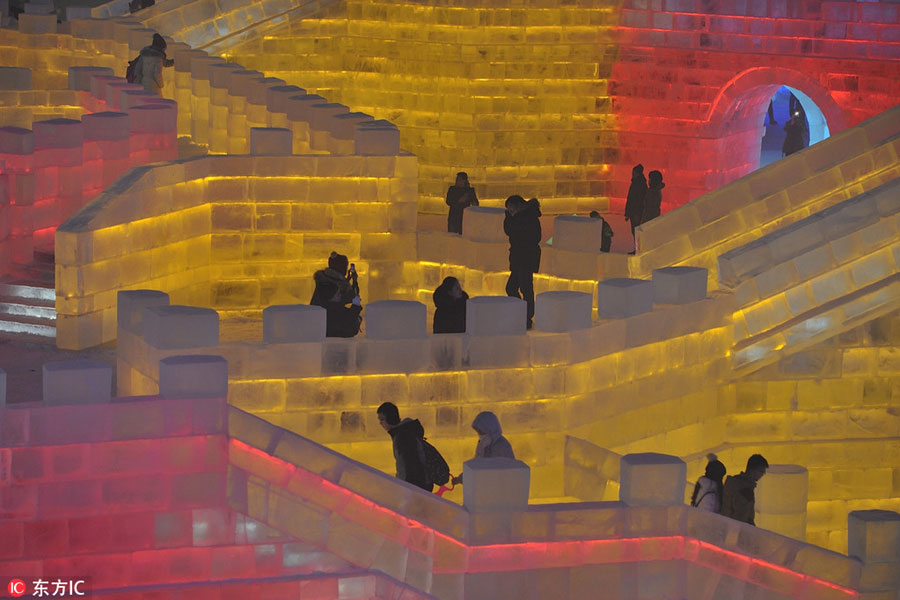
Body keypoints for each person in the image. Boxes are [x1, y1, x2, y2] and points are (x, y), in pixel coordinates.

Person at [503, 195, 542, 329]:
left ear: (518, 206)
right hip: (519, 257)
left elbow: (517, 233)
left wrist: (511, 220)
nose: (510, 211)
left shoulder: (529, 217)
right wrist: (509, 217)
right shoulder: (518, 218)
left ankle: (526, 316)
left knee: (525, 288)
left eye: (510, 209)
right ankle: (522, 313)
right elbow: (509, 231)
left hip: (526, 257)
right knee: (512, 287)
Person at [376, 402, 432, 492]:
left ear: (390, 418)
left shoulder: (402, 437)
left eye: (382, 419)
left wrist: (405, 489)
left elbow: (409, 466)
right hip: (419, 485)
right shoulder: (404, 432)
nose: (380, 423)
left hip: (415, 487)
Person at [451, 411, 515, 485]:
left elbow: (509, 471)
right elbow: (477, 464)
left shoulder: (501, 446)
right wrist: (461, 479)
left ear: (490, 429)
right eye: (478, 431)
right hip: (485, 488)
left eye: (481, 431)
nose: (480, 434)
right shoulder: (483, 444)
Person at [310, 251, 362, 338]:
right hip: (330, 331)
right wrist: (356, 306)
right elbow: (341, 319)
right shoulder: (331, 286)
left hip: (324, 326)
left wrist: (353, 281)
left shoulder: (327, 282)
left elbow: (347, 298)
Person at [721, 454, 769, 525]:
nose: (762, 475)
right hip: (735, 531)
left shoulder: (734, 482)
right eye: (761, 471)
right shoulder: (745, 489)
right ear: (753, 470)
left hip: (725, 526)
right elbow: (742, 517)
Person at [623, 164, 648, 241]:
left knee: (636, 231)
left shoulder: (639, 184)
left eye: (634, 173)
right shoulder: (637, 183)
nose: (632, 174)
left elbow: (634, 199)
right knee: (635, 231)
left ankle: (638, 249)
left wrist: (629, 212)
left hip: (636, 212)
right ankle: (637, 248)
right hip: (635, 212)